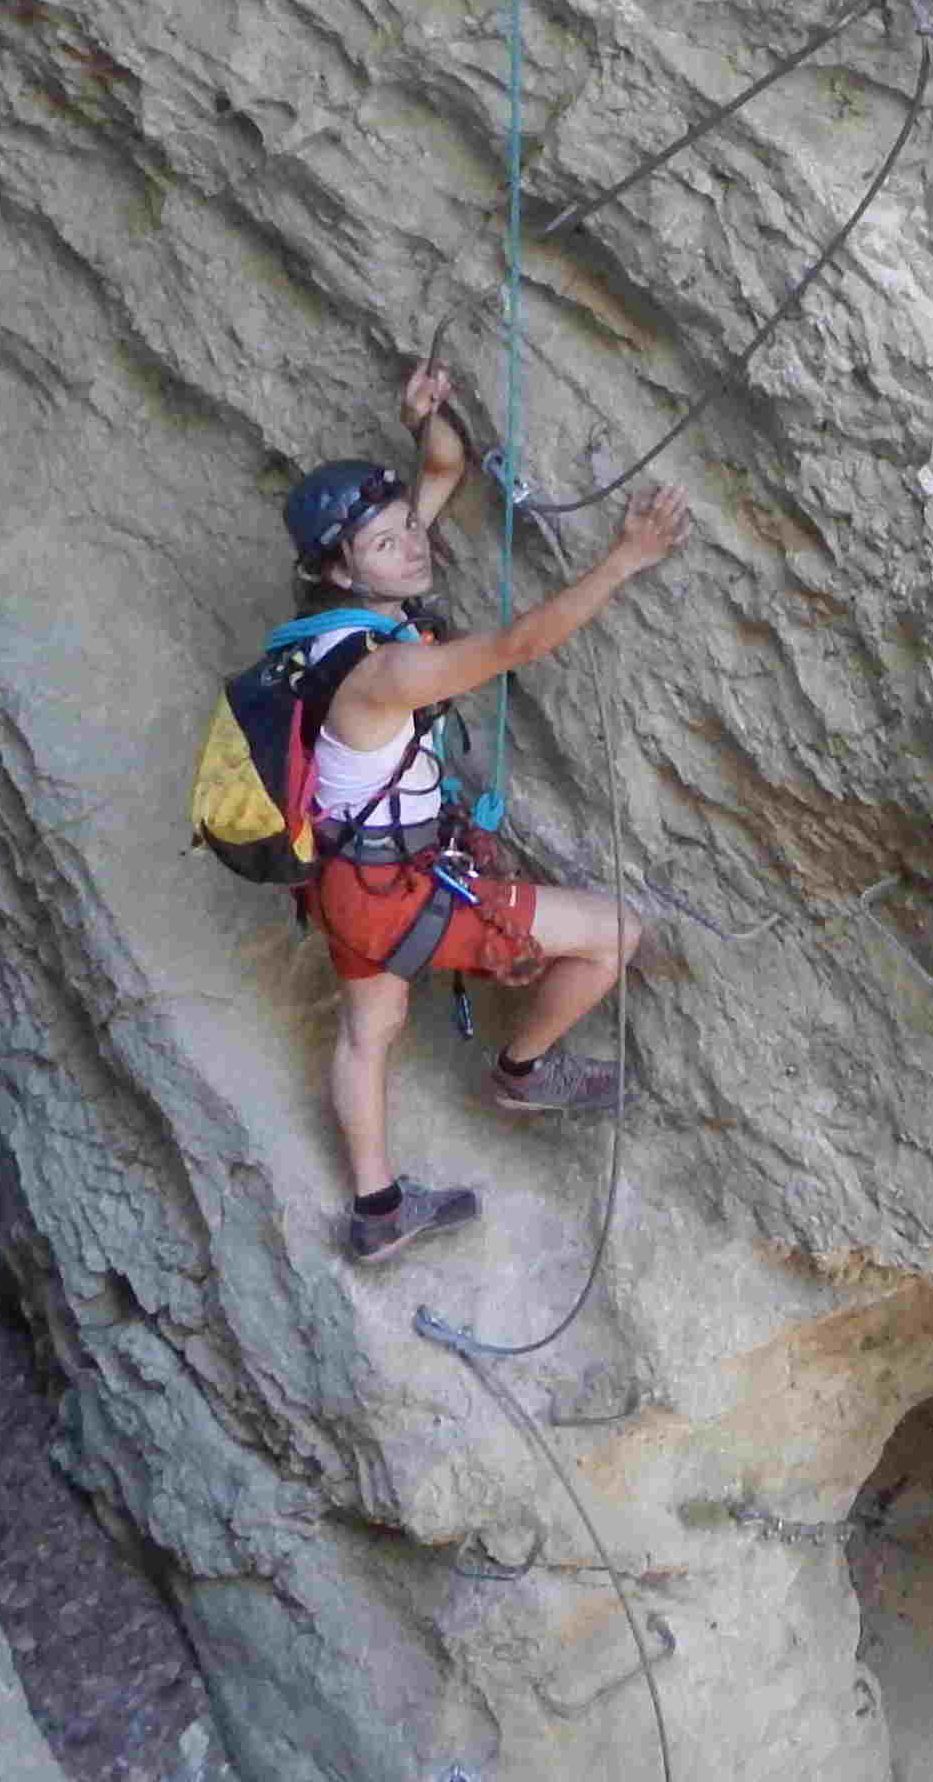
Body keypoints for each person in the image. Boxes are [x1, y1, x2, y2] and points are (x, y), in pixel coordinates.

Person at [278, 360, 687, 1264]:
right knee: (614, 932)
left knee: (369, 1030)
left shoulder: (326, 620)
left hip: (344, 879)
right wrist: (626, 559)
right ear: (343, 566)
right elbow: (519, 644)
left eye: (402, 531)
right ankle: (523, 1071)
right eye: (386, 543)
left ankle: (378, 1210)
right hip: (396, 890)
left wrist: (420, 419)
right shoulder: (383, 669)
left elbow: (442, 471)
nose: (411, 547)